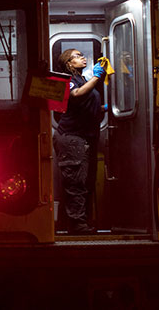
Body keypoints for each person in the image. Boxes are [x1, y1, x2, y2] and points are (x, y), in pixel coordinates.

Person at [53, 49, 106, 235]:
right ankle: (76, 225)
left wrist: (103, 108)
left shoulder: (82, 80)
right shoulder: (68, 81)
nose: (83, 57)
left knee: (83, 182)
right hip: (72, 138)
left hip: (84, 137)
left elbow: (84, 104)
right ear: (68, 63)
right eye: (77, 55)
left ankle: (81, 222)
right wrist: (96, 77)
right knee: (76, 183)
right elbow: (75, 96)